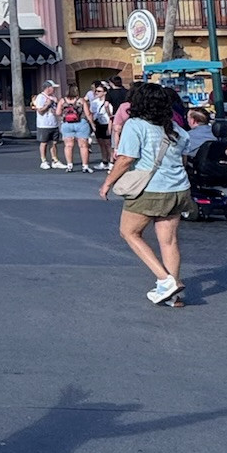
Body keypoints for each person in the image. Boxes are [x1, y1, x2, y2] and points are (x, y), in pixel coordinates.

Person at [98, 81, 191, 305]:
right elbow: (184, 158)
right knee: (168, 241)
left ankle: (166, 280)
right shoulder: (175, 127)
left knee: (129, 232)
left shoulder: (135, 125)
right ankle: (173, 294)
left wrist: (107, 183)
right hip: (178, 188)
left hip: (150, 189)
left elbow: (126, 158)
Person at [56, 89, 93, 172]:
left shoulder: (62, 100)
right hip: (81, 123)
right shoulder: (81, 100)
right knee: (83, 146)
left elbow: (58, 113)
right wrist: (92, 124)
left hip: (67, 124)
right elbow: (88, 113)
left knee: (68, 146)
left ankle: (69, 165)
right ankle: (85, 166)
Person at [30, 82, 63, 169]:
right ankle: (44, 161)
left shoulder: (54, 97)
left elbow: (57, 110)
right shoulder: (40, 97)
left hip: (54, 123)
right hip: (44, 124)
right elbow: (40, 111)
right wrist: (47, 104)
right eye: (53, 88)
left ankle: (55, 160)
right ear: (48, 88)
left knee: (54, 143)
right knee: (44, 143)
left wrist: (57, 104)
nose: (54, 90)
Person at [86, 82, 115, 170]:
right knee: (101, 143)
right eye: (96, 91)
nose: (96, 93)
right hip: (98, 122)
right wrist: (92, 123)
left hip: (106, 123)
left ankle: (111, 161)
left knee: (108, 143)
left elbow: (111, 114)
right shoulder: (94, 102)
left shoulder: (108, 102)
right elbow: (91, 113)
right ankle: (104, 160)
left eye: (99, 91)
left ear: (105, 92)